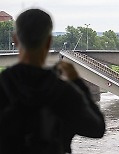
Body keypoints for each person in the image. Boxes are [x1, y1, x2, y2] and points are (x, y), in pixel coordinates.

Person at [0, 9, 105, 154]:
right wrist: (77, 82)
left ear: (15, 39)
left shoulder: (3, 85)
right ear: (49, 41)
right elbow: (97, 128)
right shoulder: (65, 92)